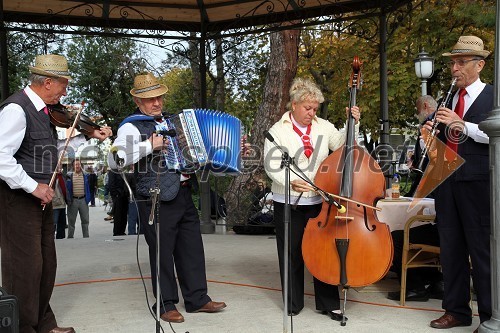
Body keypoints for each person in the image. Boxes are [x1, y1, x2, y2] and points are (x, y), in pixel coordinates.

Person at [0, 54, 112, 333]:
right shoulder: (16, 109)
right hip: (19, 200)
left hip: (41, 199)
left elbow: (59, 138)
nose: (66, 91)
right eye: (63, 84)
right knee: (24, 267)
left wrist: (91, 133)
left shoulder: (44, 111)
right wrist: (33, 186)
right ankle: (23, 328)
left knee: (45, 263)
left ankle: (43, 323)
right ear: (47, 82)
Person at [107, 72, 226, 323]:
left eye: (159, 97)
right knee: (161, 252)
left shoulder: (174, 122)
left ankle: (197, 298)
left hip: (183, 191)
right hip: (154, 197)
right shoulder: (131, 126)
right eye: (150, 100)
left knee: (192, 247)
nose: (157, 103)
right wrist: (149, 145)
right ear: (138, 103)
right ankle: (165, 303)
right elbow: (114, 160)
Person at [263, 77, 360, 320]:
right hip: (288, 200)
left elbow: (341, 144)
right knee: (292, 252)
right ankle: (293, 303)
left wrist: (352, 123)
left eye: (315, 108)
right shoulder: (278, 130)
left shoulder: (323, 126)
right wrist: (289, 181)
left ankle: (328, 303)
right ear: (294, 105)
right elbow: (271, 163)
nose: (312, 112)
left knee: (323, 252)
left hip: (318, 200)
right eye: (308, 108)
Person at [424, 36, 492, 332]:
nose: (454, 68)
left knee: (482, 252)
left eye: (461, 62)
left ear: (480, 64)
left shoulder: (494, 95)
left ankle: (491, 317)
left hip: (478, 183)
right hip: (447, 182)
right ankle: (456, 311)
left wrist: (463, 125)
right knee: (450, 249)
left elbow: (494, 136)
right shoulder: (448, 98)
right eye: (453, 62)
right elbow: (443, 140)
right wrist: (428, 136)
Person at [387, 95, 443, 302]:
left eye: (417, 108)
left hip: (437, 208)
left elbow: (433, 166)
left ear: (426, 107)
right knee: (410, 228)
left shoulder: (433, 128)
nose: (416, 113)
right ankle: (436, 281)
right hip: (436, 206)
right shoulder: (430, 129)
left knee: (398, 236)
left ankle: (415, 287)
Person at [66, 159, 92, 238]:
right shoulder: (69, 175)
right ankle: (70, 237)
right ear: (73, 166)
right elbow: (66, 188)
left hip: (83, 200)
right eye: (76, 164)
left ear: (81, 165)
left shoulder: (86, 175)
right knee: (71, 221)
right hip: (73, 201)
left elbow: (90, 187)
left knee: (85, 220)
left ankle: (86, 237)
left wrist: (89, 198)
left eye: (79, 164)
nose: (77, 166)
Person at [108, 168, 129, 236]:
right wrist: (115, 195)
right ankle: (117, 232)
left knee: (124, 214)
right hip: (118, 195)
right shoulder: (113, 171)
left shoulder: (123, 170)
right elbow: (111, 184)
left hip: (125, 195)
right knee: (118, 214)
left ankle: (122, 230)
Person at [53, 168, 68, 239]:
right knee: (53, 222)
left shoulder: (62, 176)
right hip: (55, 204)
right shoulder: (52, 177)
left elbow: (65, 189)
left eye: (60, 167)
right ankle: (50, 238)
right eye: (58, 167)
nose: (60, 169)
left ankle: (60, 238)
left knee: (61, 223)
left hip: (62, 203)